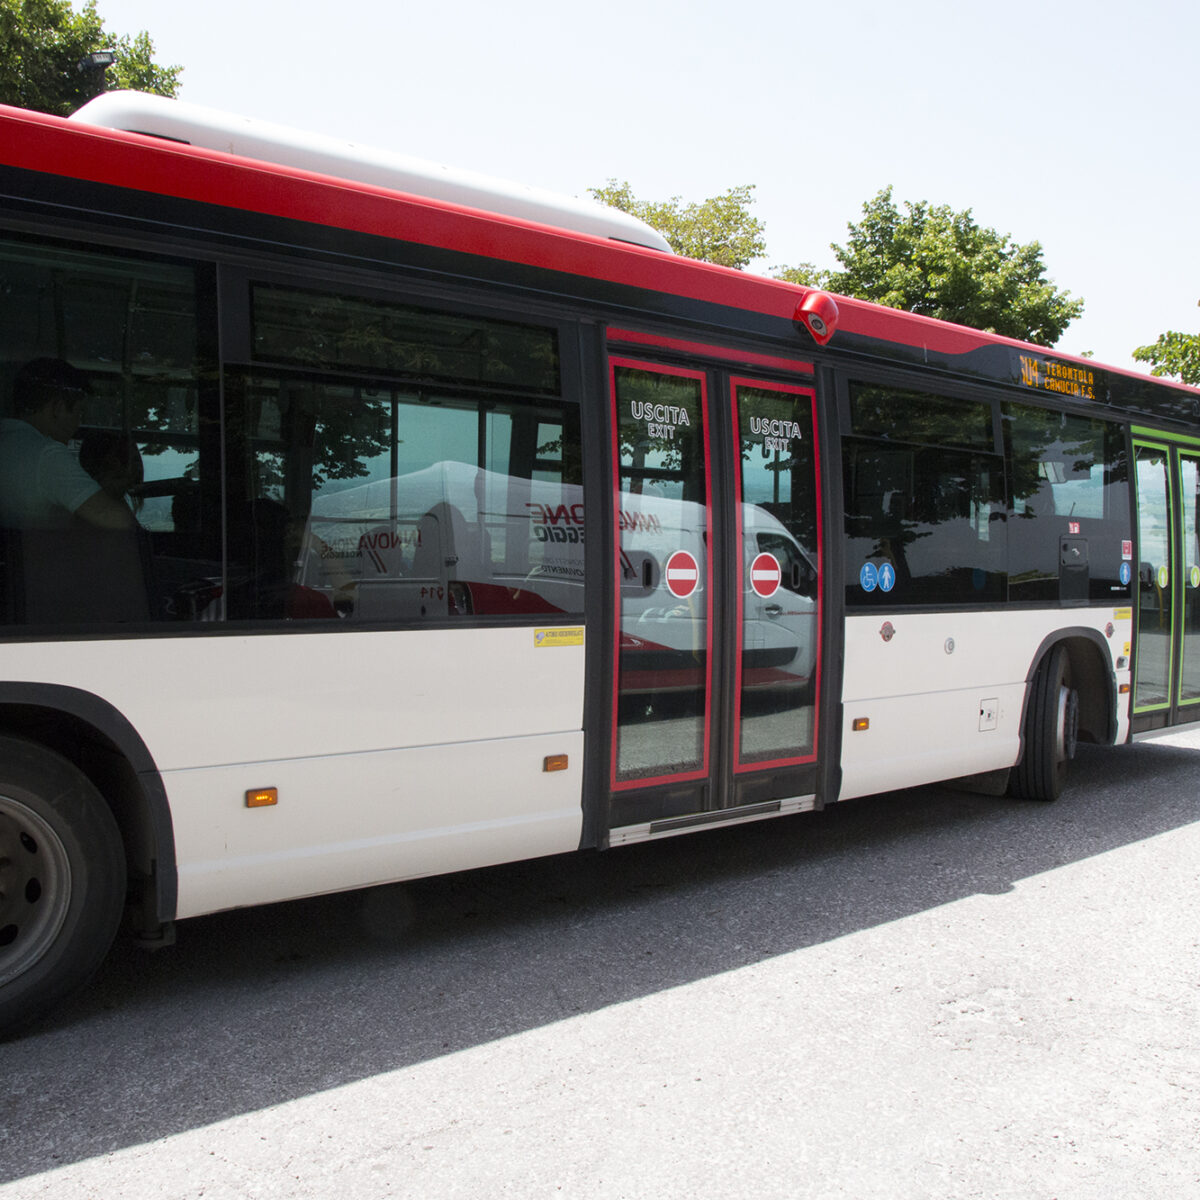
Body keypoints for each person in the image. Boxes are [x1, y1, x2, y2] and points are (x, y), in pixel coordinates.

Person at [0, 358, 134, 531]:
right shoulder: (47, 454)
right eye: (78, 413)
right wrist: (113, 493)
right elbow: (117, 520)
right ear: (58, 408)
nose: (77, 424)